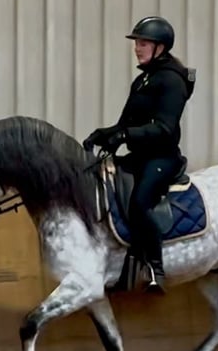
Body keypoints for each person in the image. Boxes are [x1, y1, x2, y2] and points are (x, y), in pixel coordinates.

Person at [83, 15, 195, 294]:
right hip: (139, 156)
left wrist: (125, 136)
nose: (137, 48)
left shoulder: (172, 81)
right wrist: (106, 134)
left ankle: (155, 267)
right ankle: (121, 263)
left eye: (143, 43)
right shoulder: (143, 80)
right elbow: (126, 125)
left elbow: (165, 129)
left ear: (160, 46)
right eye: (137, 43)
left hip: (161, 158)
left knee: (140, 201)